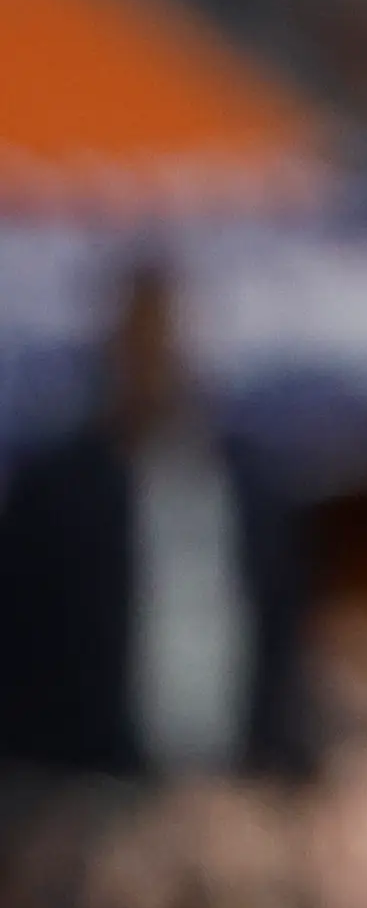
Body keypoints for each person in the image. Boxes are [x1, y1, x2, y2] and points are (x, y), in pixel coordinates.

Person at [0, 255, 308, 780]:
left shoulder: (250, 486)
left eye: (167, 341)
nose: (156, 360)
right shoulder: (55, 493)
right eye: (141, 343)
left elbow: (283, 635)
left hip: (234, 781)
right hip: (85, 784)